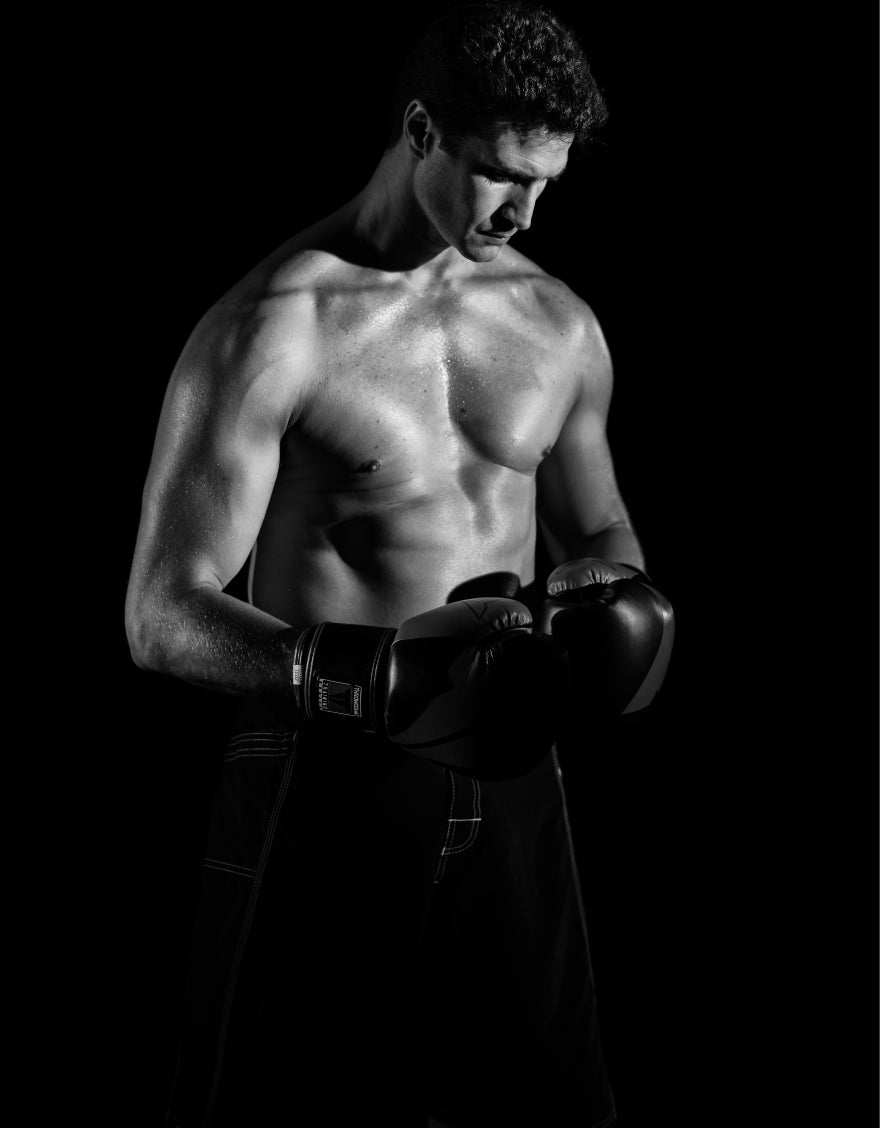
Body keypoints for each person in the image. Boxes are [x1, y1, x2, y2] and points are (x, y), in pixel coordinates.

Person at [125, 4, 674, 1125]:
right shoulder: (274, 327)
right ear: (422, 130)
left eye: (546, 183)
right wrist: (367, 678)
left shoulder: (559, 326)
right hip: (328, 775)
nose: (522, 212)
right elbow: (162, 614)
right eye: (499, 174)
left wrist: (615, 604)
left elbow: (600, 530)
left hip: (515, 777)